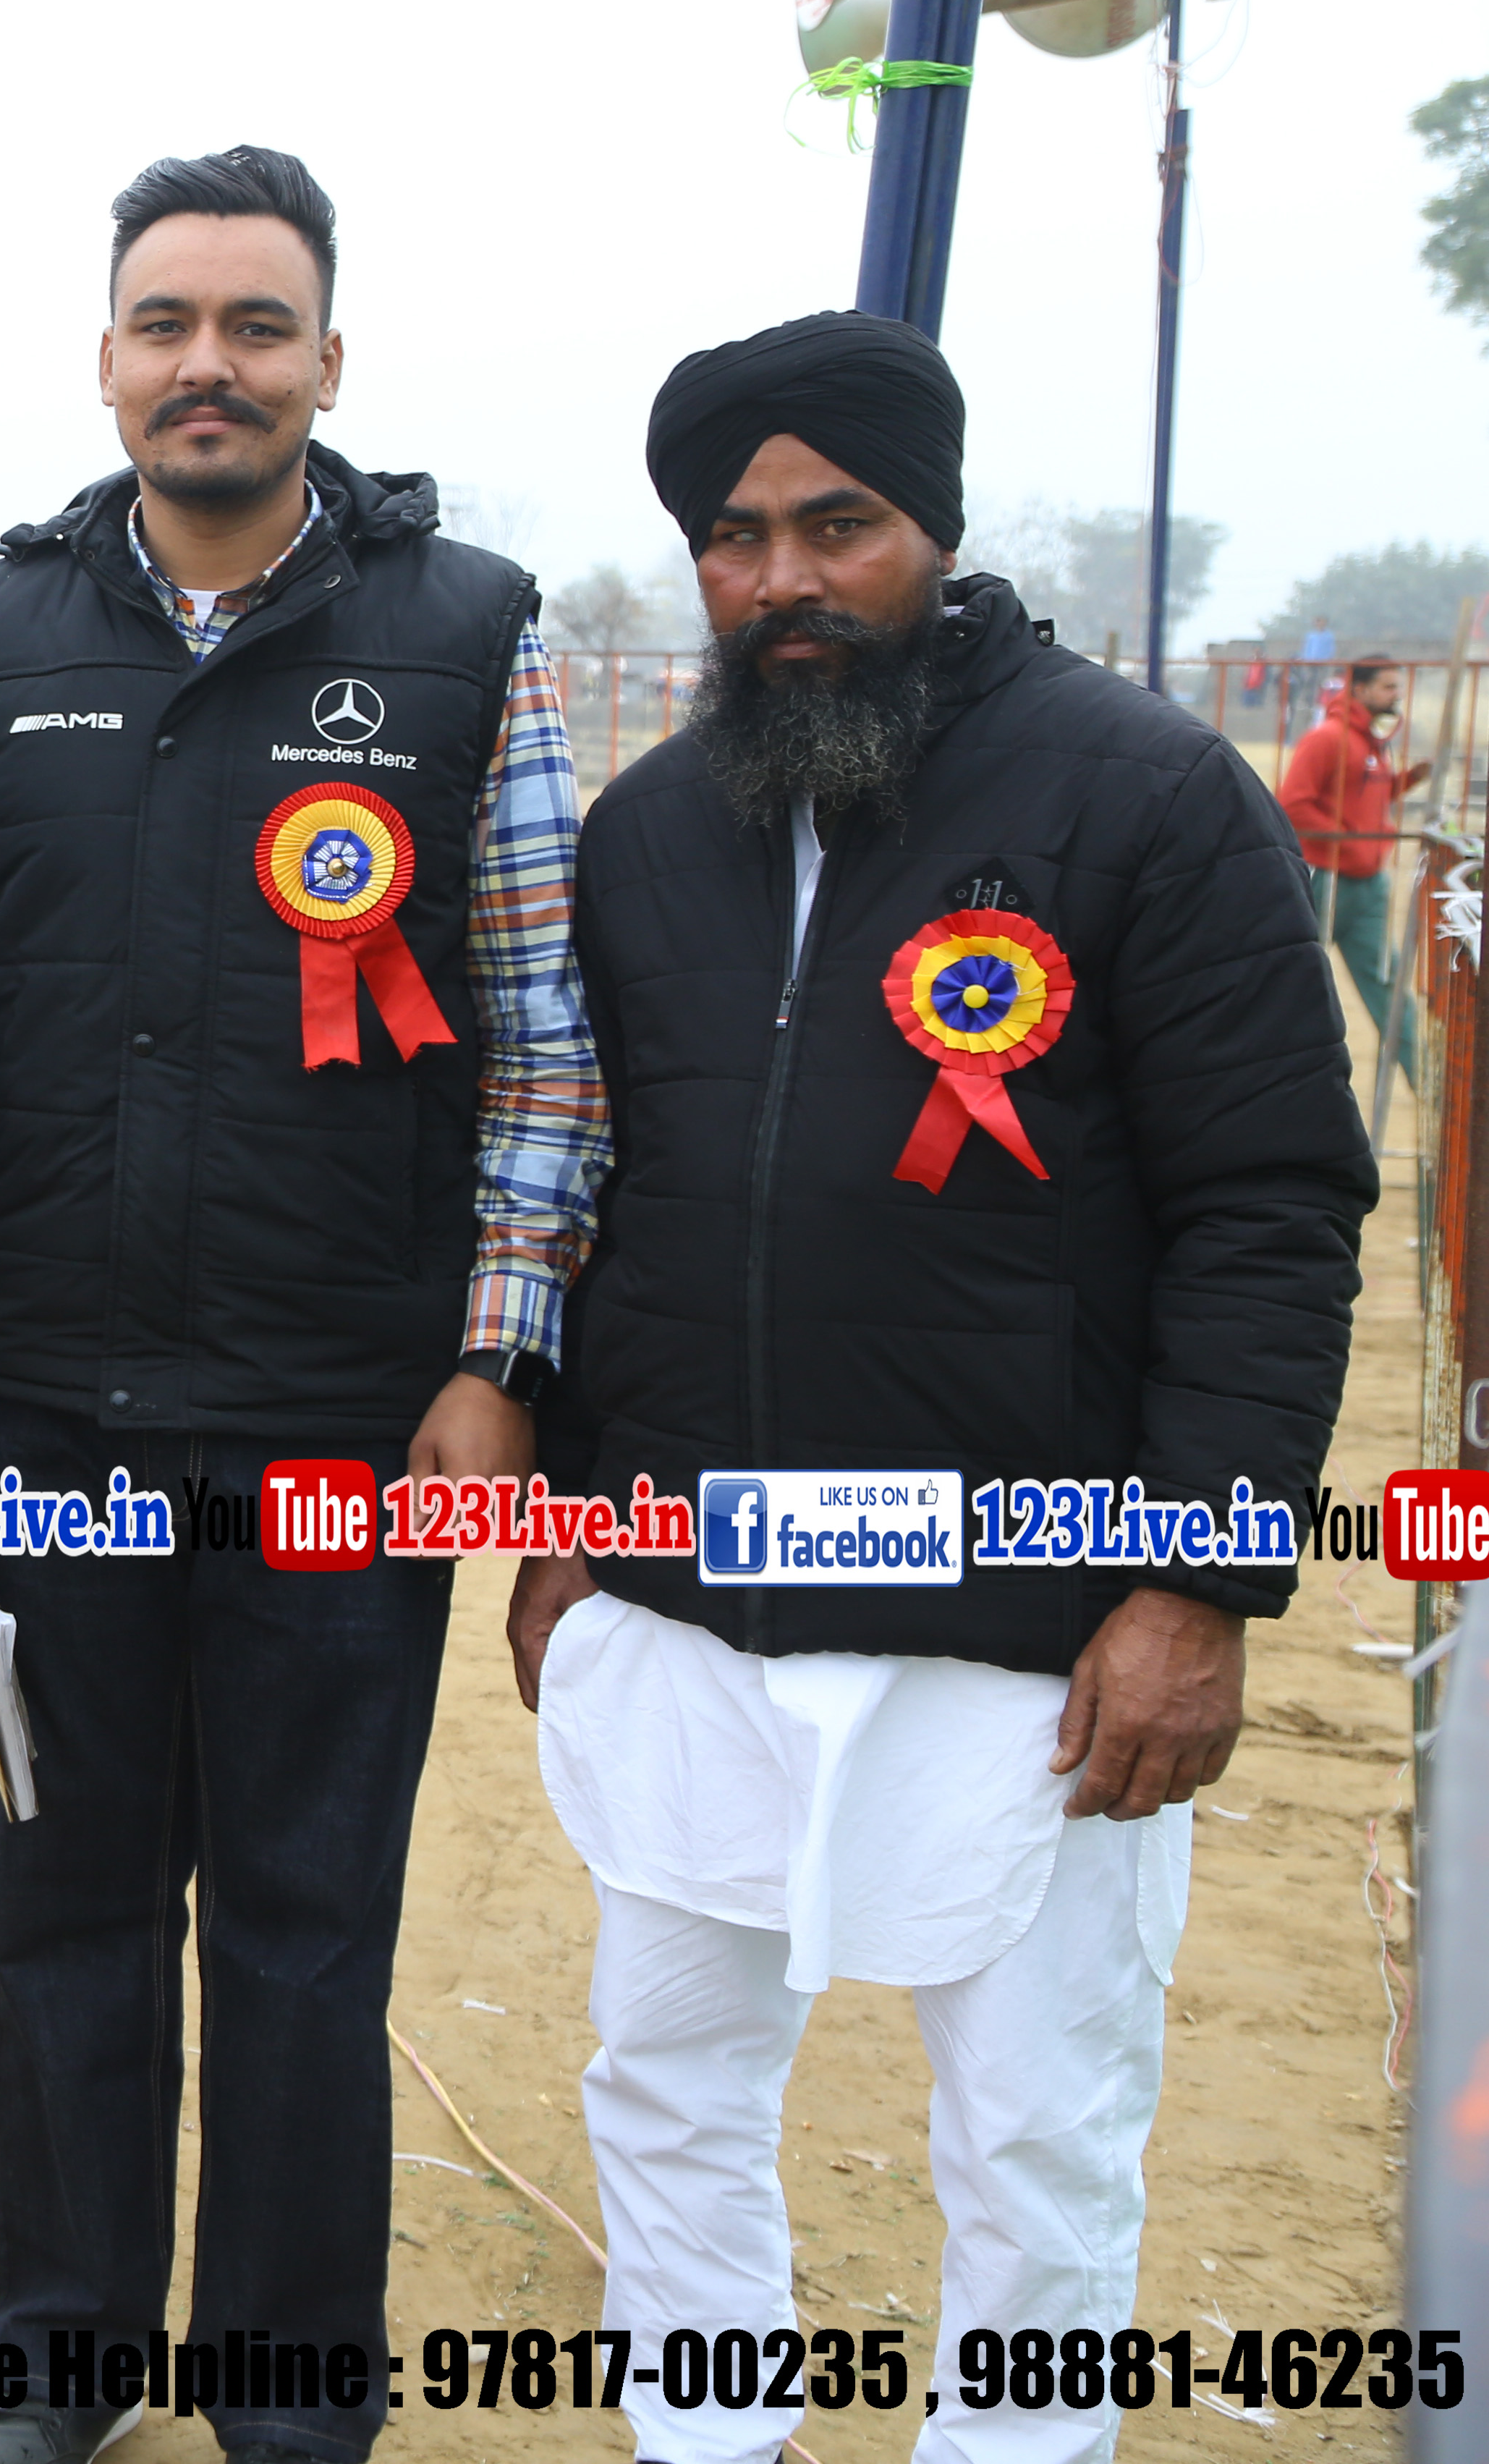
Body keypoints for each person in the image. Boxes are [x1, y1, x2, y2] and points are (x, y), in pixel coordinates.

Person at [515, 310, 1373, 2464]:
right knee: (664, 2079)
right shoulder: (647, 829)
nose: (784, 578)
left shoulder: (1142, 794)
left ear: (936, 524)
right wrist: (573, 1530)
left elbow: (1268, 1205)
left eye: (839, 524)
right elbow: (605, 1200)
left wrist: (1196, 1583)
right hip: (693, 1598)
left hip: (1037, 1620)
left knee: (1035, 2132)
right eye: (734, 538)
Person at [0, 145, 599, 2464]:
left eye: (257, 325)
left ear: (328, 363)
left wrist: (493, 1356)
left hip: (344, 1414)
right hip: (41, 1415)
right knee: (65, 1907)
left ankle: (286, 2392)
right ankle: (61, 2358)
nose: (210, 363)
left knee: (304, 1926)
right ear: (107, 360)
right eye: (168, 322)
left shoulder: (472, 631)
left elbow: (545, 1039)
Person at [1274, 651, 1425, 1083]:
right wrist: (1351, 842)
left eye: (1398, 687)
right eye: (1388, 687)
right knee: (1292, 987)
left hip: (1368, 887)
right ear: (1359, 689)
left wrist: (1407, 781)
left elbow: (1362, 799)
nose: (1396, 695)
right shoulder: (1327, 739)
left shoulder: (1373, 742)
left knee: (1388, 989)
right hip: (1326, 880)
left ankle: (1428, 1088)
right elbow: (1293, 805)